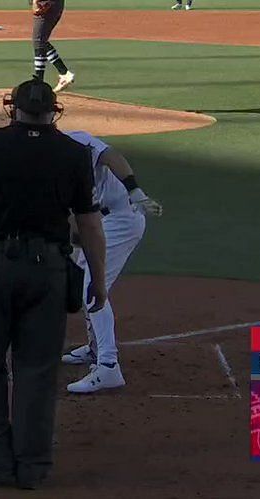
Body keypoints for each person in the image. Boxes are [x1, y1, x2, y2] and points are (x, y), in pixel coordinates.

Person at [0, 79, 108, 490]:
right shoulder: (73, 154)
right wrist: (99, 283)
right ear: (55, 110)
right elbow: (89, 226)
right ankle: (30, 467)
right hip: (48, 271)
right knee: (36, 369)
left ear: (12, 107)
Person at [59, 131, 163, 393]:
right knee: (83, 280)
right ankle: (95, 349)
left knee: (91, 285)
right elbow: (72, 214)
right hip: (96, 222)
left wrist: (136, 191)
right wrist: (73, 245)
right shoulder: (46, 162)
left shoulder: (75, 140)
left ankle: (108, 366)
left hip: (121, 219)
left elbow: (112, 157)